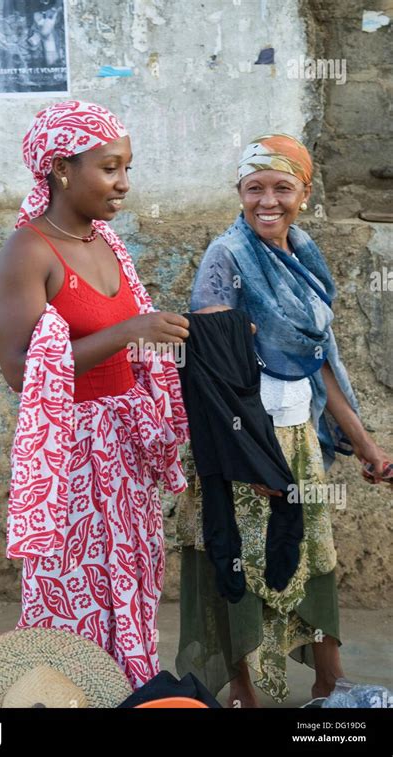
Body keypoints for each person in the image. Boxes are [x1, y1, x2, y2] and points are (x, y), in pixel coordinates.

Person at [174, 133, 391, 707]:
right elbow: (214, 369)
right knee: (238, 561)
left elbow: (321, 363)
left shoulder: (305, 254)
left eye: (282, 188)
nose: (267, 201)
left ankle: (329, 680)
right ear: (239, 193)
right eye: (254, 189)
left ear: (305, 192)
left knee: (314, 558)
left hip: (296, 438)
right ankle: (242, 690)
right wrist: (252, 454)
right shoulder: (227, 256)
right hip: (242, 441)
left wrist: (366, 446)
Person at [0, 100, 190, 689]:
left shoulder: (108, 244)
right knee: (71, 591)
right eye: (109, 168)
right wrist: (129, 331)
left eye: (127, 168)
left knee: (128, 583)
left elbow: (134, 346)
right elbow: (21, 372)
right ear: (60, 169)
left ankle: (123, 694)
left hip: (125, 454)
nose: (124, 183)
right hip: (70, 458)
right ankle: (65, 697)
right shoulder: (28, 251)